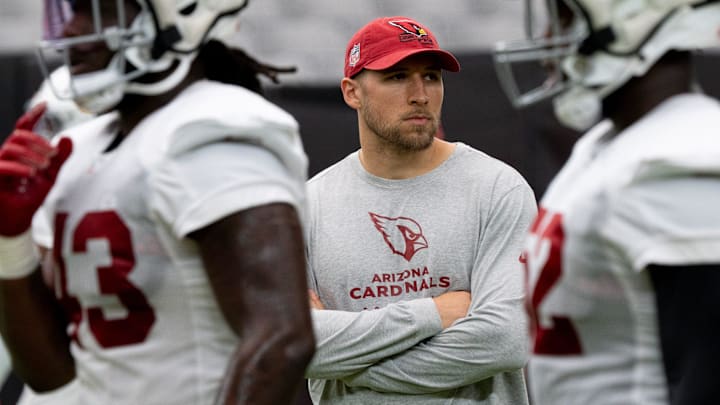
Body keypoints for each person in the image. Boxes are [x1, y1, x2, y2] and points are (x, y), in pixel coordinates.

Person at [0, 0, 315, 404]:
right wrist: (11, 239)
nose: (69, 32)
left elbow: (282, 339)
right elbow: (50, 377)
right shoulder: (79, 150)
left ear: (177, 14)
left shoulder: (210, 128)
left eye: (96, 10)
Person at [493, 1, 720, 404]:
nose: (547, 38)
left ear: (631, 21)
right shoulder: (605, 146)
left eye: (563, 17)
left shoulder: (685, 157)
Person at [304, 15, 537, 404]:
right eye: (396, 77)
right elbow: (296, 345)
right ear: (352, 92)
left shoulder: (497, 187)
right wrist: (432, 314)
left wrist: (350, 366)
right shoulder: (309, 205)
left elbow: (505, 339)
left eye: (431, 76)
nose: (420, 94)